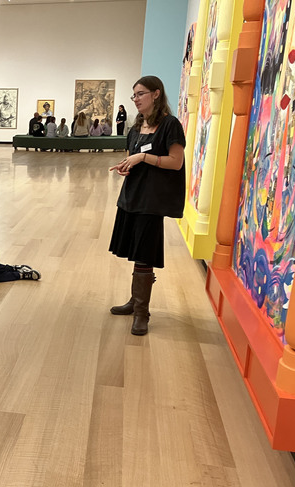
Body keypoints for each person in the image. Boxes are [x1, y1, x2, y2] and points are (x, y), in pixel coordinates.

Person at [108, 76, 186, 336]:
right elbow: (133, 158)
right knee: (135, 250)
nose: (136, 99)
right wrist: (126, 165)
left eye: (140, 94)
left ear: (156, 94)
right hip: (132, 196)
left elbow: (175, 162)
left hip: (152, 201)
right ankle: (134, 302)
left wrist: (143, 157)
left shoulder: (169, 125)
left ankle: (142, 312)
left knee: (144, 253)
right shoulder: (135, 127)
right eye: (134, 95)